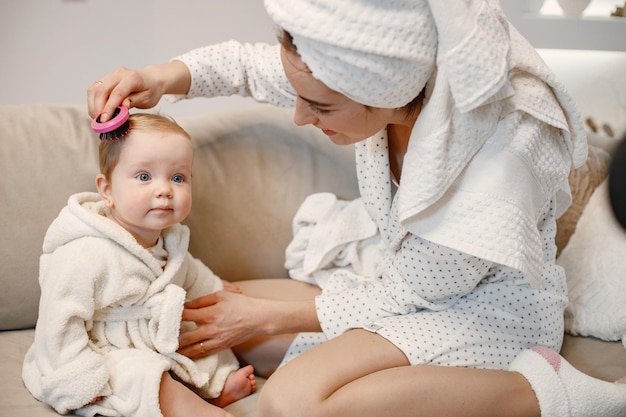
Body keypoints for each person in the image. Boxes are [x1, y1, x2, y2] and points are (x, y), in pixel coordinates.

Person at [87, 0, 626, 416]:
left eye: (320, 108)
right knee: (210, 308)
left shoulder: (499, 152)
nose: (300, 117)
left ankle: (557, 392)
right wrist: (157, 78)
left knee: (289, 402)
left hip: (488, 313)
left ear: (389, 94)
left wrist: (270, 314)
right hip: (405, 289)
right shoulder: (371, 68)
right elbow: (247, 67)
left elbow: (420, 291)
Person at [22, 113, 256, 417]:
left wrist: (216, 288)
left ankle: (205, 396)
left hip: (154, 335)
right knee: (140, 373)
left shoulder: (171, 241)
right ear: (106, 190)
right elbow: (59, 324)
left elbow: (188, 272)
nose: (164, 190)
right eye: (145, 177)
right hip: (99, 348)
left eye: (178, 178)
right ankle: (203, 411)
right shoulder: (83, 252)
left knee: (202, 342)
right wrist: (78, 377)